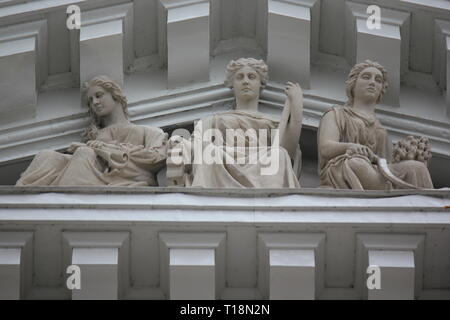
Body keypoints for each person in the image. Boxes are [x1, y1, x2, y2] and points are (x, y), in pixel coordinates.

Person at [167, 58, 302, 188]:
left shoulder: (273, 122)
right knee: (206, 150)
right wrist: (180, 143)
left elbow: (287, 149)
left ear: (261, 83)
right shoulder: (212, 121)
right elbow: (195, 145)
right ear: (232, 84)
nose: (245, 81)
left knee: (279, 154)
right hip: (220, 161)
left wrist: (297, 105)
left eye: (251, 76)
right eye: (240, 77)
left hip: (263, 165)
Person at [16, 75, 167, 186]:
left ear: (116, 96)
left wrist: (104, 149)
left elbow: (157, 157)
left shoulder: (147, 131)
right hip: (92, 171)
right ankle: (21, 201)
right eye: (90, 100)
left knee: (85, 153)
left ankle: (64, 202)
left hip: (125, 178)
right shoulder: (95, 136)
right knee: (46, 156)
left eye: (99, 95)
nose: (94, 102)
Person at [318, 60, 433, 190]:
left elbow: (386, 164)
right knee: (357, 163)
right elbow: (325, 148)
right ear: (353, 84)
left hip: (377, 173)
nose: (372, 82)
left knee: (416, 168)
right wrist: (351, 146)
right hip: (350, 167)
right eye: (366, 77)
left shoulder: (381, 131)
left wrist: (408, 155)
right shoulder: (336, 114)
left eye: (378, 80)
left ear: (381, 90)